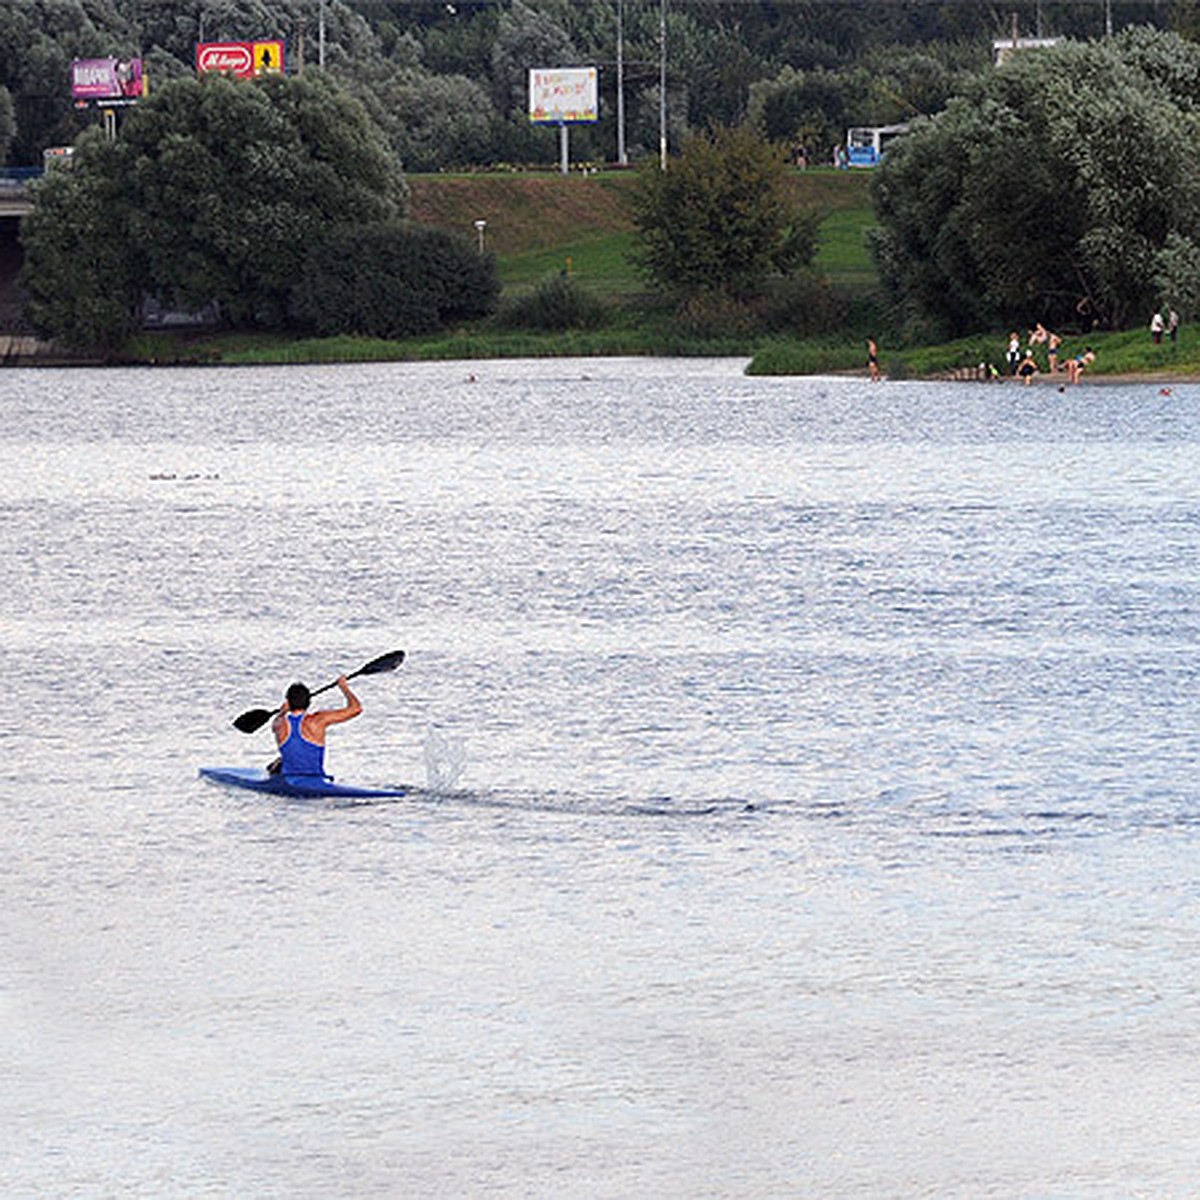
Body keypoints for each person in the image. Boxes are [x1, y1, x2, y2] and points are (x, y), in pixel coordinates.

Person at [269, 676, 363, 778]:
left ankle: (277, 767)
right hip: (316, 777)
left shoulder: (279, 723)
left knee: (278, 763)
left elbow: (275, 724)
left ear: (288, 702)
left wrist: (283, 711)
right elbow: (356, 708)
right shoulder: (317, 721)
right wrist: (344, 687)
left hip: (289, 778)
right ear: (309, 702)